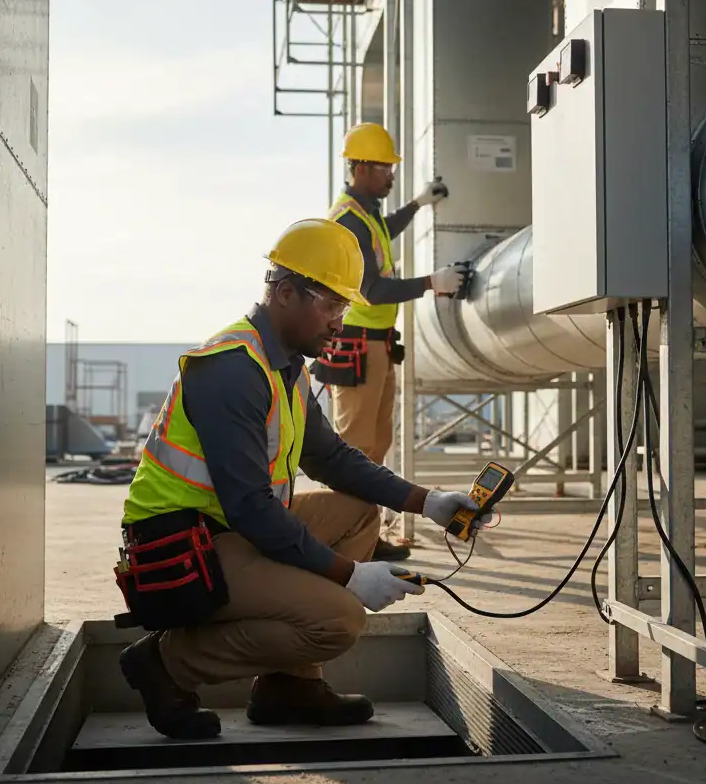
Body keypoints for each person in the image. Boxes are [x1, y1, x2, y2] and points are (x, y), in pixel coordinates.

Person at [116, 218, 488, 740]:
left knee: (360, 512)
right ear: (285, 293)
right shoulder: (231, 368)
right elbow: (250, 507)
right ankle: (166, 664)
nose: (340, 321)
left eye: (345, 307)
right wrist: (351, 577)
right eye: (331, 305)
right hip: (182, 544)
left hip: (230, 530)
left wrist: (428, 503)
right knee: (339, 619)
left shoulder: (283, 364)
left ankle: (287, 687)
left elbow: (330, 458)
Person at [312, 122, 469, 561]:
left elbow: (384, 230)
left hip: (377, 344)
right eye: (384, 166)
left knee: (374, 448)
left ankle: (366, 537)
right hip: (358, 344)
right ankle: (348, 540)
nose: (391, 174)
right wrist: (431, 283)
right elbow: (373, 289)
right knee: (355, 449)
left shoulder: (366, 213)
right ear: (360, 168)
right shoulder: (347, 218)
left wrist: (417, 204)